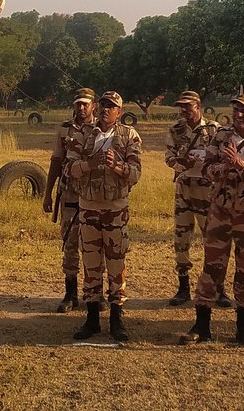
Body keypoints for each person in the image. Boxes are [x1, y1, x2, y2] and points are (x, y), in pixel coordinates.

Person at [180, 94, 244, 346]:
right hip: (220, 211)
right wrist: (222, 168)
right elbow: (206, 169)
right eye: (236, 110)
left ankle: (243, 327)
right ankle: (202, 325)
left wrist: (240, 164)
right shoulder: (220, 137)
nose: (239, 115)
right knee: (212, 266)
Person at [64, 90, 142, 342]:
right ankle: (92, 319)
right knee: (91, 263)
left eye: (113, 106)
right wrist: (91, 163)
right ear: (98, 108)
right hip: (88, 208)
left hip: (115, 209)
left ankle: (117, 320)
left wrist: (116, 165)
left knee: (116, 263)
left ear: (120, 112)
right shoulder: (84, 134)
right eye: (104, 105)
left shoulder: (129, 135)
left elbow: (135, 174)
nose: (107, 109)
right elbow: (69, 169)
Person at [164, 90, 226, 307]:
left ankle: (218, 287)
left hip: (207, 191)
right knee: (181, 239)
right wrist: (182, 163)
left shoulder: (213, 129)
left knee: (213, 240)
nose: (184, 110)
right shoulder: (176, 129)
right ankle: (183, 287)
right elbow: (168, 158)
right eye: (181, 106)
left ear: (198, 106)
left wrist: (207, 161)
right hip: (184, 190)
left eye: (188, 106)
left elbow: (222, 157)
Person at [43, 87, 97, 312]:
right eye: (78, 104)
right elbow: (56, 160)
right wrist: (47, 193)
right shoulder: (64, 129)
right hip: (69, 194)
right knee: (70, 243)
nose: (81, 108)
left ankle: (94, 294)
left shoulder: (101, 128)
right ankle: (70, 293)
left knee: (94, 245)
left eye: (85, 104)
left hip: (94, 196)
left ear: (94, 105)